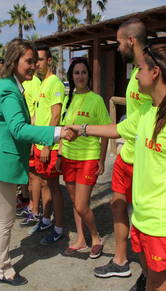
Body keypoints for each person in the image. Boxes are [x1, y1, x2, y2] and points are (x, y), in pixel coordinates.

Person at [67, 43, 166, 291]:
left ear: (155, 73)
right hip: (142, 218)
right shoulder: (146, 112)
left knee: (161, 283)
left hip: (165, 221)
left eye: (140, 69)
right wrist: (83, 129)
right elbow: (117, 129)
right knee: (150, 276)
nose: (135, 75)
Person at [0, 38, 76, 286]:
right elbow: (19, 129)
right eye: (29, 61)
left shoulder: (10, 85)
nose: (33, 65)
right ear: (14, 60)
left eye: (35, 61)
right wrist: (58, 132)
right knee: (5, 219)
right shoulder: (9, 89)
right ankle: (3, 268)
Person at [94, 18, 152, 278]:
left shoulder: (152, 71)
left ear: (131, 41)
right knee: (117, 204)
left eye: (118, 42)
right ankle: (120, 262)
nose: (117, 48)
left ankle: (150, 274)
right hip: (126, 155)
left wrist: (86, 129)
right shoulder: (135, 72)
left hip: (144, 159)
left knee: (143, 217)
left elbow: (146, 122)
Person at [58, 58, 111, 259]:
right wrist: (60, 153)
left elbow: (106, 130)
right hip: (68, 157)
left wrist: (102, 159)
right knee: (75, 203)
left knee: (81, 204)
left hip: (88, 157)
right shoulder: (67, 100)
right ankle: (81, 240)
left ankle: (96, 238)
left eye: (83, 72)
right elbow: (63, 129)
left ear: (88, 76)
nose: (80, 76)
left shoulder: (96, 100)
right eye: (76, 73)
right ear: (71, 77)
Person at [29, 47, 66, 246]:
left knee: (54, 186)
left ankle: (59, 228)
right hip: (38, 143)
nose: (37, 64)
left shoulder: (55, 83)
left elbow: (55, 115)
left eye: (40, 60)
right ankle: (45, 219)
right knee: (44, 183)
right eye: (35, 61)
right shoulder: (42, 83)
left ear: (49, 61)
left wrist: (46, 144)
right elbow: (38, 115)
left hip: (48, 146)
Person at [18, 74, 43, 225]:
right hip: (23, 133)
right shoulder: (20, 81)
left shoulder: (35, 82)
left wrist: (33, 141)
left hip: (31, 134)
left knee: (34, 175)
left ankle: (35, 210)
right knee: (28, 173)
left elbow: (35, 113)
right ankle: (31, 205)